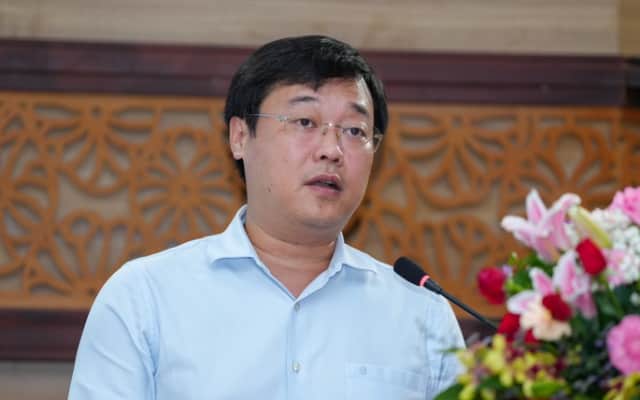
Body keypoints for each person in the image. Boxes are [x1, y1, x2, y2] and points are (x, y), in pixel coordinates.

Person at [68, 35, 464, 400]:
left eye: (355, 130)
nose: (331, 149)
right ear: (240, 137)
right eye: (305, 122)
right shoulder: (144, 299)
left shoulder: (422, 314)